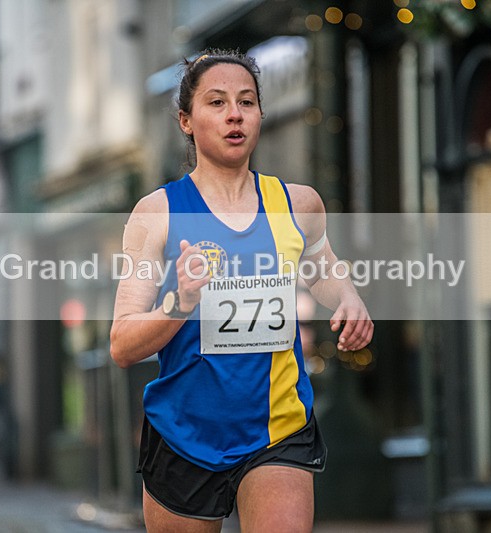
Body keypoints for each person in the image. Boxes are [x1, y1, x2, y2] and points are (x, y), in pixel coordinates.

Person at [110, 49, 373, 533]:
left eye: (246, 102)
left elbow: (325, 272)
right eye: (217, 102)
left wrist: (351, 299)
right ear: (187, 121)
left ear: (259, 116)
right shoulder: (158, 213)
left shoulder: (299, 204)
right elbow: (123, 344)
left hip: (277, 429)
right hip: (184, 431)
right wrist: (181, 303)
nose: (234, 114)